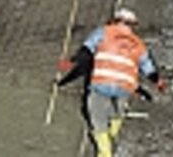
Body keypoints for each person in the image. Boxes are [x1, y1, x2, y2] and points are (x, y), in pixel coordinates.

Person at [57, 8, 166, 157]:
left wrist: (69, 65)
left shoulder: (103, 32)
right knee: (118, 112)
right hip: (125, 86)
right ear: (133, 25)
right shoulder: (139, 44)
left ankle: (105, 151)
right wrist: (158, 82)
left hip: (101, 82)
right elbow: (149, 69)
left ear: (115, 20)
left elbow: (85, 54)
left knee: (97, 118)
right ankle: (112, 134)